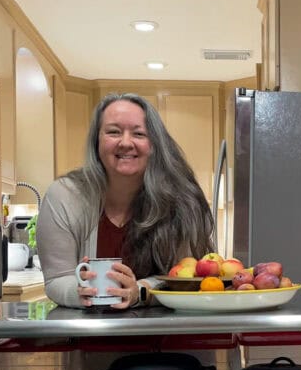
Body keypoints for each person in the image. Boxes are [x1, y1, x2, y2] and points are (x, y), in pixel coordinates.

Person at [37, 92, 214, 309]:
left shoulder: (181, 200)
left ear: (154, 145)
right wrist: (82, 293)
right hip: (88, 338)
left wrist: (139, 291)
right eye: (113, 132)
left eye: (139, 134)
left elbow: (188, 279)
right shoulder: (64, 195)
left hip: (165, 337)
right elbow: (57, 279)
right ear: (96, 142)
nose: (126, 142)